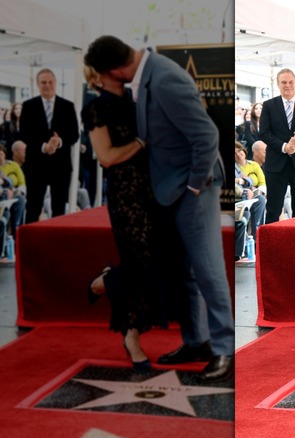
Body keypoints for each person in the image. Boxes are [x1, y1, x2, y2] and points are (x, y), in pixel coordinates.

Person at [84, 35, 234, 382]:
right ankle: (197, 342)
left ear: (117, 70)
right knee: (187, 272)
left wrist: (196, 185)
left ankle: (224, 350)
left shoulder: (165, 78)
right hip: (171, 189)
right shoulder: (146, 75)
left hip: (193, 187)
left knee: (208, 270)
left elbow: (207, 137)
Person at [81, 64, 183, 371]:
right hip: (125, 196)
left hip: (155, 190)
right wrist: (141, 142)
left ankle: (108, 280)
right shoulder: (95, 108)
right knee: (140, 264)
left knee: (159, 259)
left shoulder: (137, 100)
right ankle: (132, 337)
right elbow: (107, 156)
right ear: (97, 74)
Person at [258, 69, 295, 223]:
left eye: (291, 82)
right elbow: (264, 133)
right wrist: (284, 146)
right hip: (276, 165)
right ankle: (270, 246)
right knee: (273, 209)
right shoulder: (269, 105)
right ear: (278, 84)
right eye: (284, 82)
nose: (288, 85)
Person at [20, 69, 79, 223]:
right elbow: (24, 133)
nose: (47, 86)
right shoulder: (28, 106)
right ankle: (31, 245)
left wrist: (58, 142)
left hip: (61, 166)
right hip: (36, 165)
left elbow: (74, 134)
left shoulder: (67, 106)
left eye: (50, 82)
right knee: (33, 207)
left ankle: (57, 244)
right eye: (43, 82)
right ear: (37, 84)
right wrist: (44, 146)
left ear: (56, 83)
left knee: (59, 208)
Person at [235, 141, 266, 236]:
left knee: (260, 199)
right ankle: (252, 237)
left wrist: (243, 181)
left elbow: (262, 183)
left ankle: (256, 235)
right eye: (234, 153)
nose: (238, 154)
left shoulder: (254, 165)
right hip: (241, 196)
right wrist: (243, 182)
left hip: (256, 192)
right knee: (257, 201)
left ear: (243, 150)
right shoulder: (235, 168)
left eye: (239, 150)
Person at [0, 144, 26, 236]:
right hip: (3, 193)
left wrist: (18, 191)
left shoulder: (13, 165)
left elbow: (21, 181)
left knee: (21, 199)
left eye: (1, 151)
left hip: (15, 191)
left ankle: (17, 232)